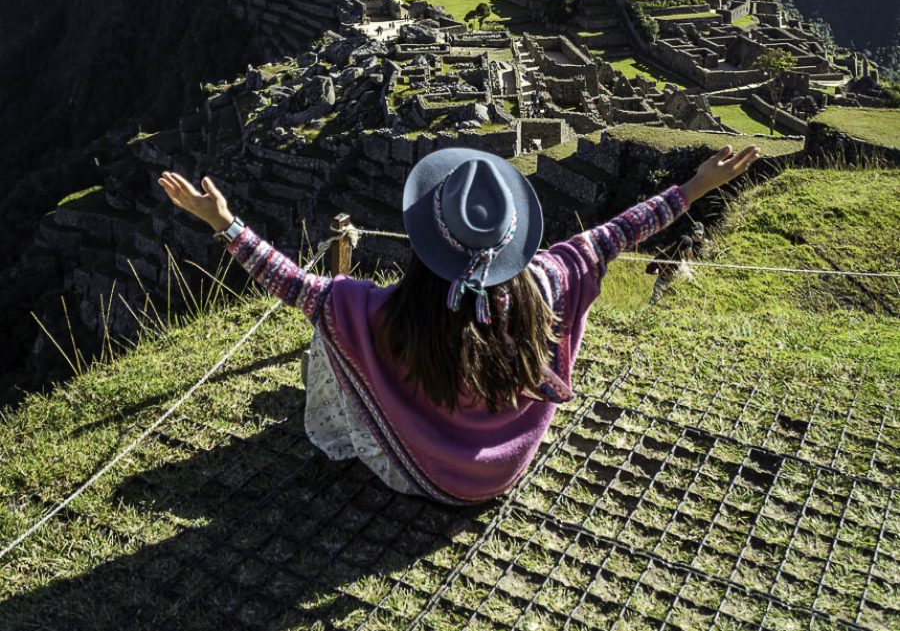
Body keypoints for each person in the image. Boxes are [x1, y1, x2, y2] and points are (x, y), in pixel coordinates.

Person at [158, 142, 759, 505]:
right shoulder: (546, 285)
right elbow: (621, 231)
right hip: (506, 468)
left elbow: (290, 282)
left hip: (421, 475)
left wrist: (226, 223)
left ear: (425, 242)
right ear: (511, 240)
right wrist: (699, 185)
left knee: (329, 329)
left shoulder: (383, 314)